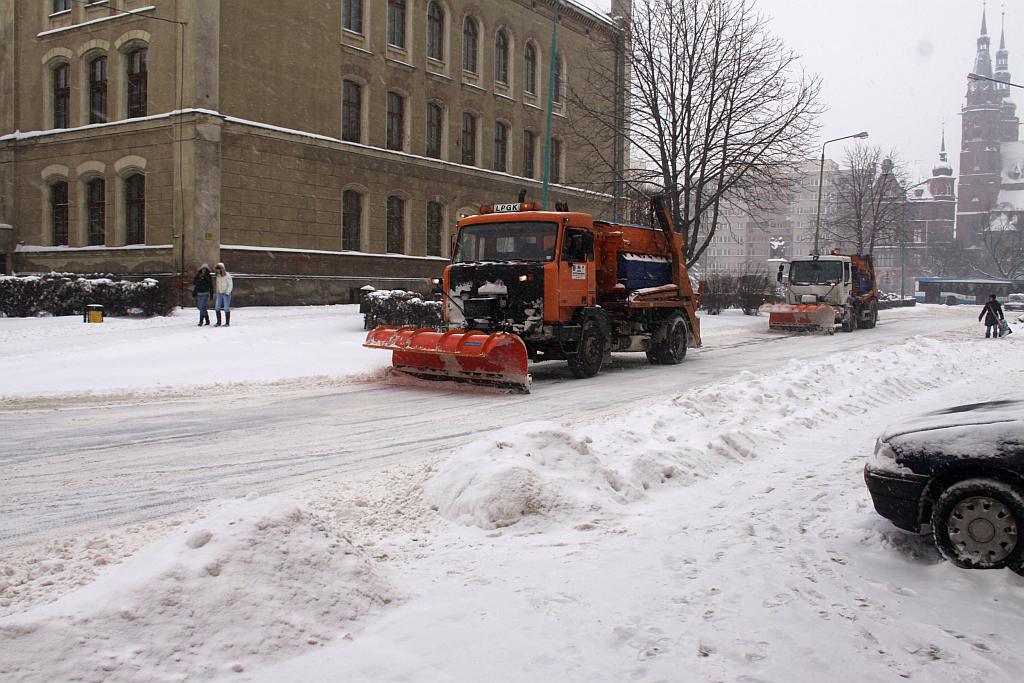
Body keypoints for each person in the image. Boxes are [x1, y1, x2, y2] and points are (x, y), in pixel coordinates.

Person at [214, 262, 234, 327]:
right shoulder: (218, 276)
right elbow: (217, 284)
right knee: (217, 307)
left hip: (226, 293)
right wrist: (217, 291)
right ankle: (218, 322)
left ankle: (227, 323)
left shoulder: (227, 275)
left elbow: (230, 284)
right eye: (217, 269)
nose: (217, 271)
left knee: (226, 308)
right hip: (219, 293)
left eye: (218, 269)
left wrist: (227, 292)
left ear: (221, 269)